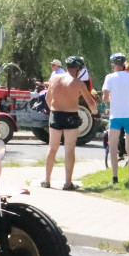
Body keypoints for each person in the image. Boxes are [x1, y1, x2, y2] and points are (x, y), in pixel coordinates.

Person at [42, 55, 97, 190]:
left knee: (52, 148)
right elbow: (90, 101)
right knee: (69, 149)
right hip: (71, 116)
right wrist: (95, 113)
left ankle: (46, 180)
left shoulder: (54, 79)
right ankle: (67, 182)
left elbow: (48, 98)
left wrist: (53, 111)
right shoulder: (78, 83)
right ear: (78, 69)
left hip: (55, 115)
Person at [102, 53, 129, 185]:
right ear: (124, 64)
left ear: (113, 65)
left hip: (116, 115)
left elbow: (105, 97)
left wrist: (112, 99)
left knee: (112, 147)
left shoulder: (109, 77)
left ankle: (115, 178)